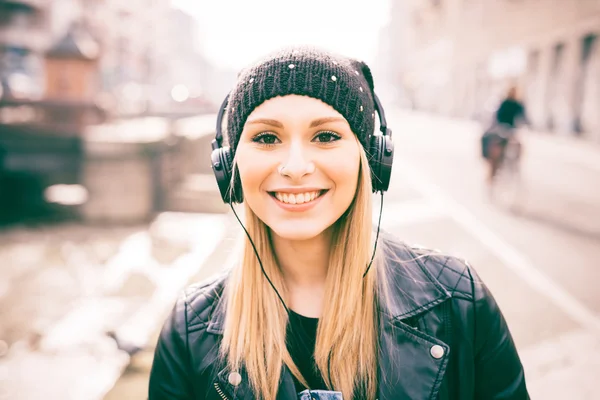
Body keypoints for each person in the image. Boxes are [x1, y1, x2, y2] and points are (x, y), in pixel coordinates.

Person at [149, 47, 529, 400]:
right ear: (228, 164)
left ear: (372, 159)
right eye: (266, 137)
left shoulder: (460, 303)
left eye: (326, 136)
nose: (295, 167)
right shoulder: (188, 332)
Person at [482, 86, 527, 186]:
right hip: (501, 130)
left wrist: (524, 125)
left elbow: (524, 118)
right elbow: (498, 117)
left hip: (512, 131)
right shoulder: (504, 103)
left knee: (519, 147)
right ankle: (492, 172)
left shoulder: (518, 104)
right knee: (496, 149)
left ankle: (516, 166)